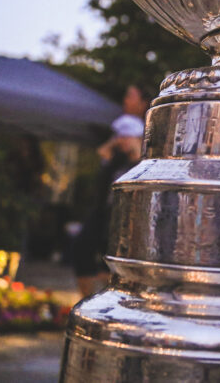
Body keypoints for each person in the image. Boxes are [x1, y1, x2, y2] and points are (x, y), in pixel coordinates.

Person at [72, 85, 148, 296]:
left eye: (126, 136)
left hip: (126, 217)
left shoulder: (143, 163)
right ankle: (86, 300)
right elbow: (103, 156)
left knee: (114, 261)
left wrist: (137, 150)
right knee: (82, 248)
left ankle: (110, 299)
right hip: (104, 212)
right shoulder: (117, 159)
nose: (122, 140)